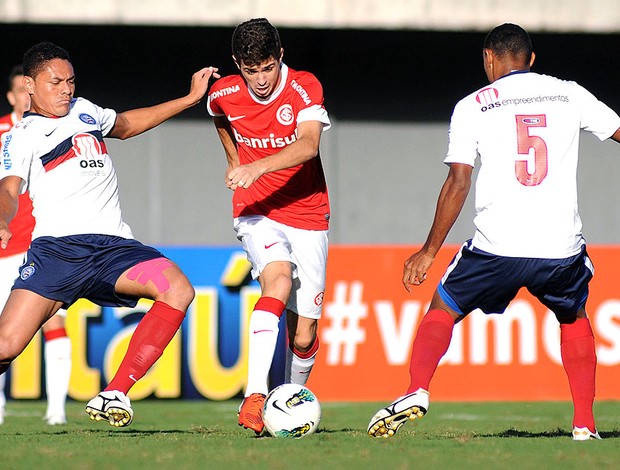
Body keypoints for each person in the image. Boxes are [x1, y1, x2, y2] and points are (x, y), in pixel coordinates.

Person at [367, 23, 620, 441]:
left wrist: (429, 251)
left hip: (495, 246)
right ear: (532, 60)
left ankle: (416, 390)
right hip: (559, 248)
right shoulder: (570, 93)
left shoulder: (473, 105)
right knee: (573, 318)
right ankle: (584, 426)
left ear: (489, 57)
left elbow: (459, 182)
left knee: (443, 307)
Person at [0, 42, 219, 427]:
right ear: (29, 85)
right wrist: (2, 219)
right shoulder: (22, 135)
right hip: (58, 253)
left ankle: (115, 392)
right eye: (55, 82)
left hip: (113, 249)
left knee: (179, 290)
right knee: (6, 347)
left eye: (70, 81)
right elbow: (7, 189)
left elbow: (129, 124)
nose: (66, 89)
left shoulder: (86, 111)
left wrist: (188, 99)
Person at [206, 18, 331, 434]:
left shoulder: (303, 87)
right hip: (256, 208)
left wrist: (255, 165)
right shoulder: (224, 91)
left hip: (308, 211)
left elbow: (309, 144)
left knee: (303, 334)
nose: (260, 79)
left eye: (266, 67)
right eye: (249, 69)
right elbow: (218, 115)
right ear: (236, 64)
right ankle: (255, 395)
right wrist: (232, 159)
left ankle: (290, 402)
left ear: (280, 56)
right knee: (275, 282)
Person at [0, 64, 72, 426]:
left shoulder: (56, 127)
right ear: (14, 95)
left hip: (38, 243)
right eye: (21, 91)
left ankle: (57, 409)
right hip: (2, 246)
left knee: (53, 322)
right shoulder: (6, 134)